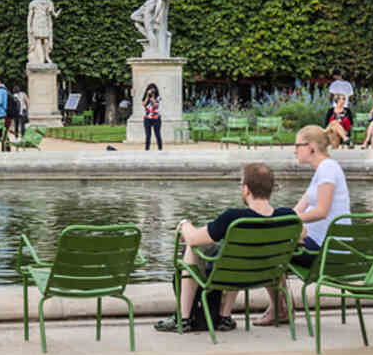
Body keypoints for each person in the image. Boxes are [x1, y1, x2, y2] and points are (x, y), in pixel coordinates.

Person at [155, 162, 300, 333]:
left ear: (246, 190)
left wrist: (184, 224)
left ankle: (184, 318)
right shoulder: (288, 217)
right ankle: (224, 317)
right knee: (239, 254)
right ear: (271, 189)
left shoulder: (233, 218)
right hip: (264, 276)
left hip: (231, 276)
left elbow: (194, 239)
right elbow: (302, 233)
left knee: (193, 247)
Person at [263, 124, 352, 325]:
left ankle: (280, 308)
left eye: (298, 145)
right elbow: (297, 210)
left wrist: (285, 221)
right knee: (269, 242)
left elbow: (321, 211)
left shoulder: (327, 169)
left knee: (269, 251)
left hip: (326, 251)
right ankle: (280, 307)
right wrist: (272, 222)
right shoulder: (322, 170)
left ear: (311, 147)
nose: (295, 150)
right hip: (321, 245)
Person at [141, 83, 162, 151]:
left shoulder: (158, 97)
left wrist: (153, 96)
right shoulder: (145, 97)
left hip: (156, 118)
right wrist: (147, 95)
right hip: (147, 118)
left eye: (153, 90)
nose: (152, 91)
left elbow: (155, 105)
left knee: (157, 134)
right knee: (148, 135)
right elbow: (144, 104)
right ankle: (147, 149)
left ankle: (160, 149)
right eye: (150, 89)